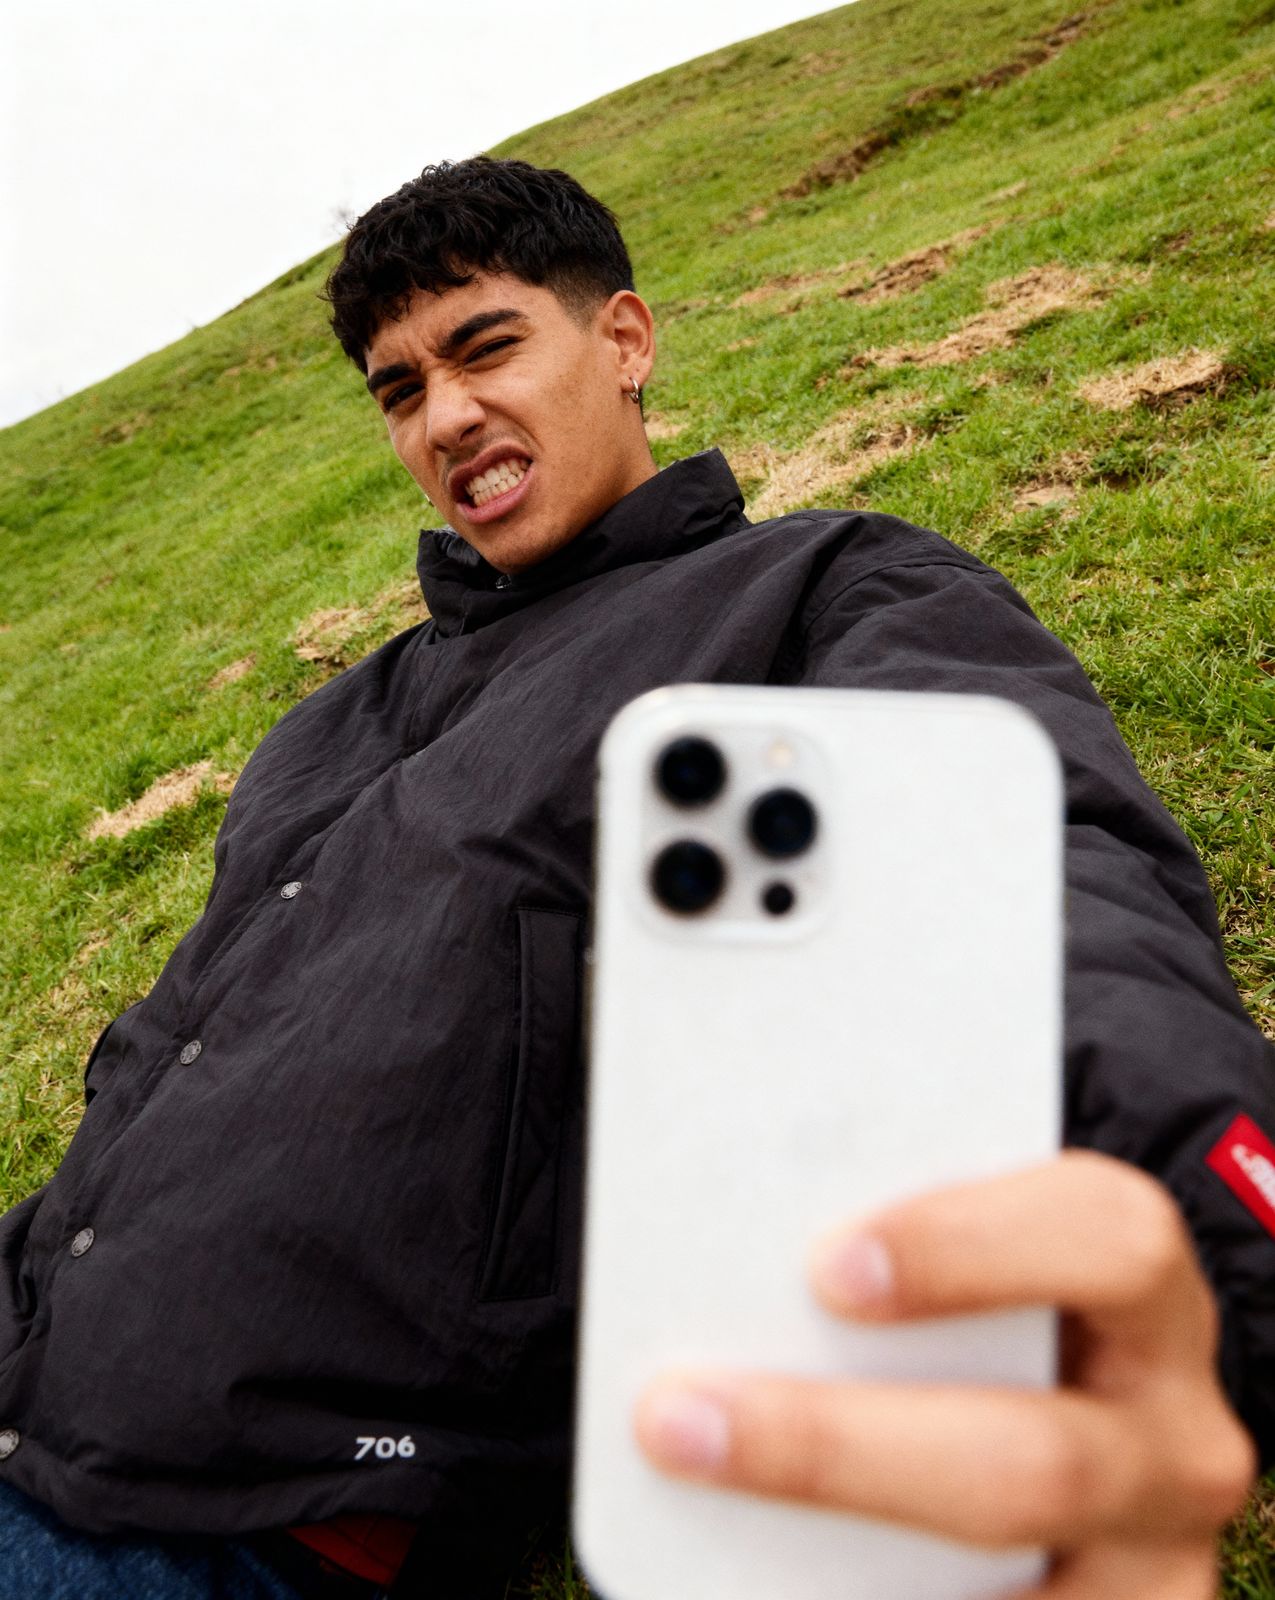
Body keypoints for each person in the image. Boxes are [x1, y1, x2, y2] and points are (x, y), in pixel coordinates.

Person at [0, 156, 1271, 1600]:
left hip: (233, 1517)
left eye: (486, 347)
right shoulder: (328, 725)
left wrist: (1207, 1203)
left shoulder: (817, 590)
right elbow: (164, 1059)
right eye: (400, 388)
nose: (446, 414)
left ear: (623, 340)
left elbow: (1039, 871)